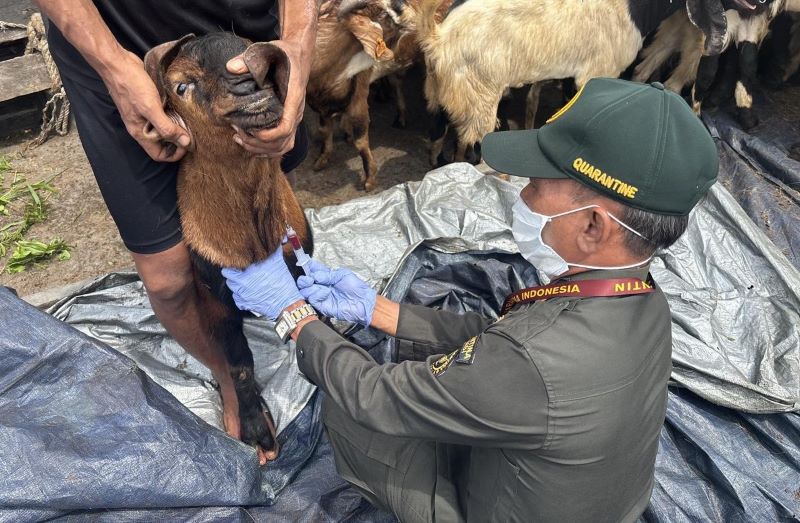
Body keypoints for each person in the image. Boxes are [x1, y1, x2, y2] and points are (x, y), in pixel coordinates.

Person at [222, 78, 719, 521]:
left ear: (594, 226)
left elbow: (375, 397)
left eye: (540, 184)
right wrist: (377, 310)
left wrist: (293, 315)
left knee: (349, 406)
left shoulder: (535, 362)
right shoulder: (640, 296)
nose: (522, 195)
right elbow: (501, 346)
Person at [35, 0, 317, 459]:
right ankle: (233, 378)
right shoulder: (112, 56)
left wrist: (298, 45)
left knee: (269, 200)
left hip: (238, 37)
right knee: (169, 278)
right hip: (111, 35)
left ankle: (303, 319)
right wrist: (111, 63)